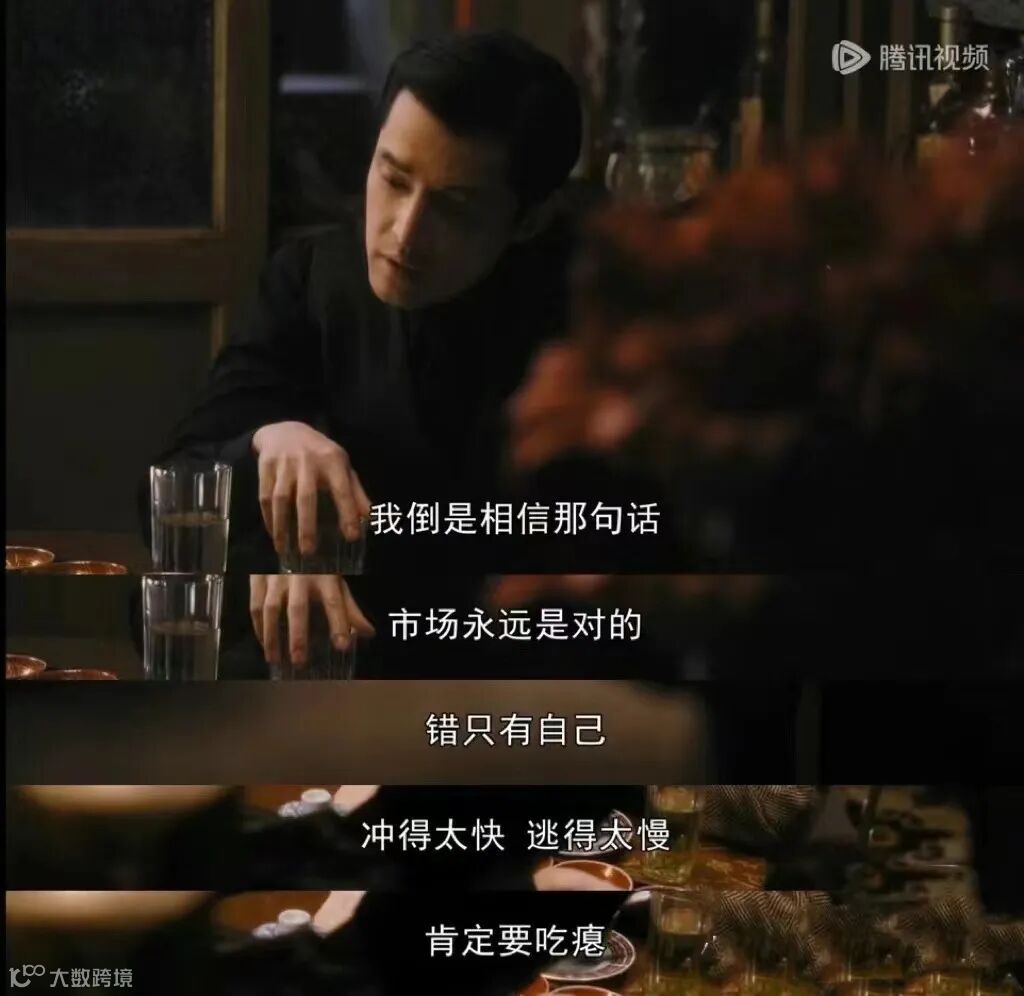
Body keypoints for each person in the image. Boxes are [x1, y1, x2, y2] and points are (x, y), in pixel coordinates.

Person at [143, 32, 585, 671]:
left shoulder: (587, 324)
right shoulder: (313, 279)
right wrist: (268, 439)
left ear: (530, 220)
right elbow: (167, 497)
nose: (404, 233)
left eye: (455, 208)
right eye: (393, 178)